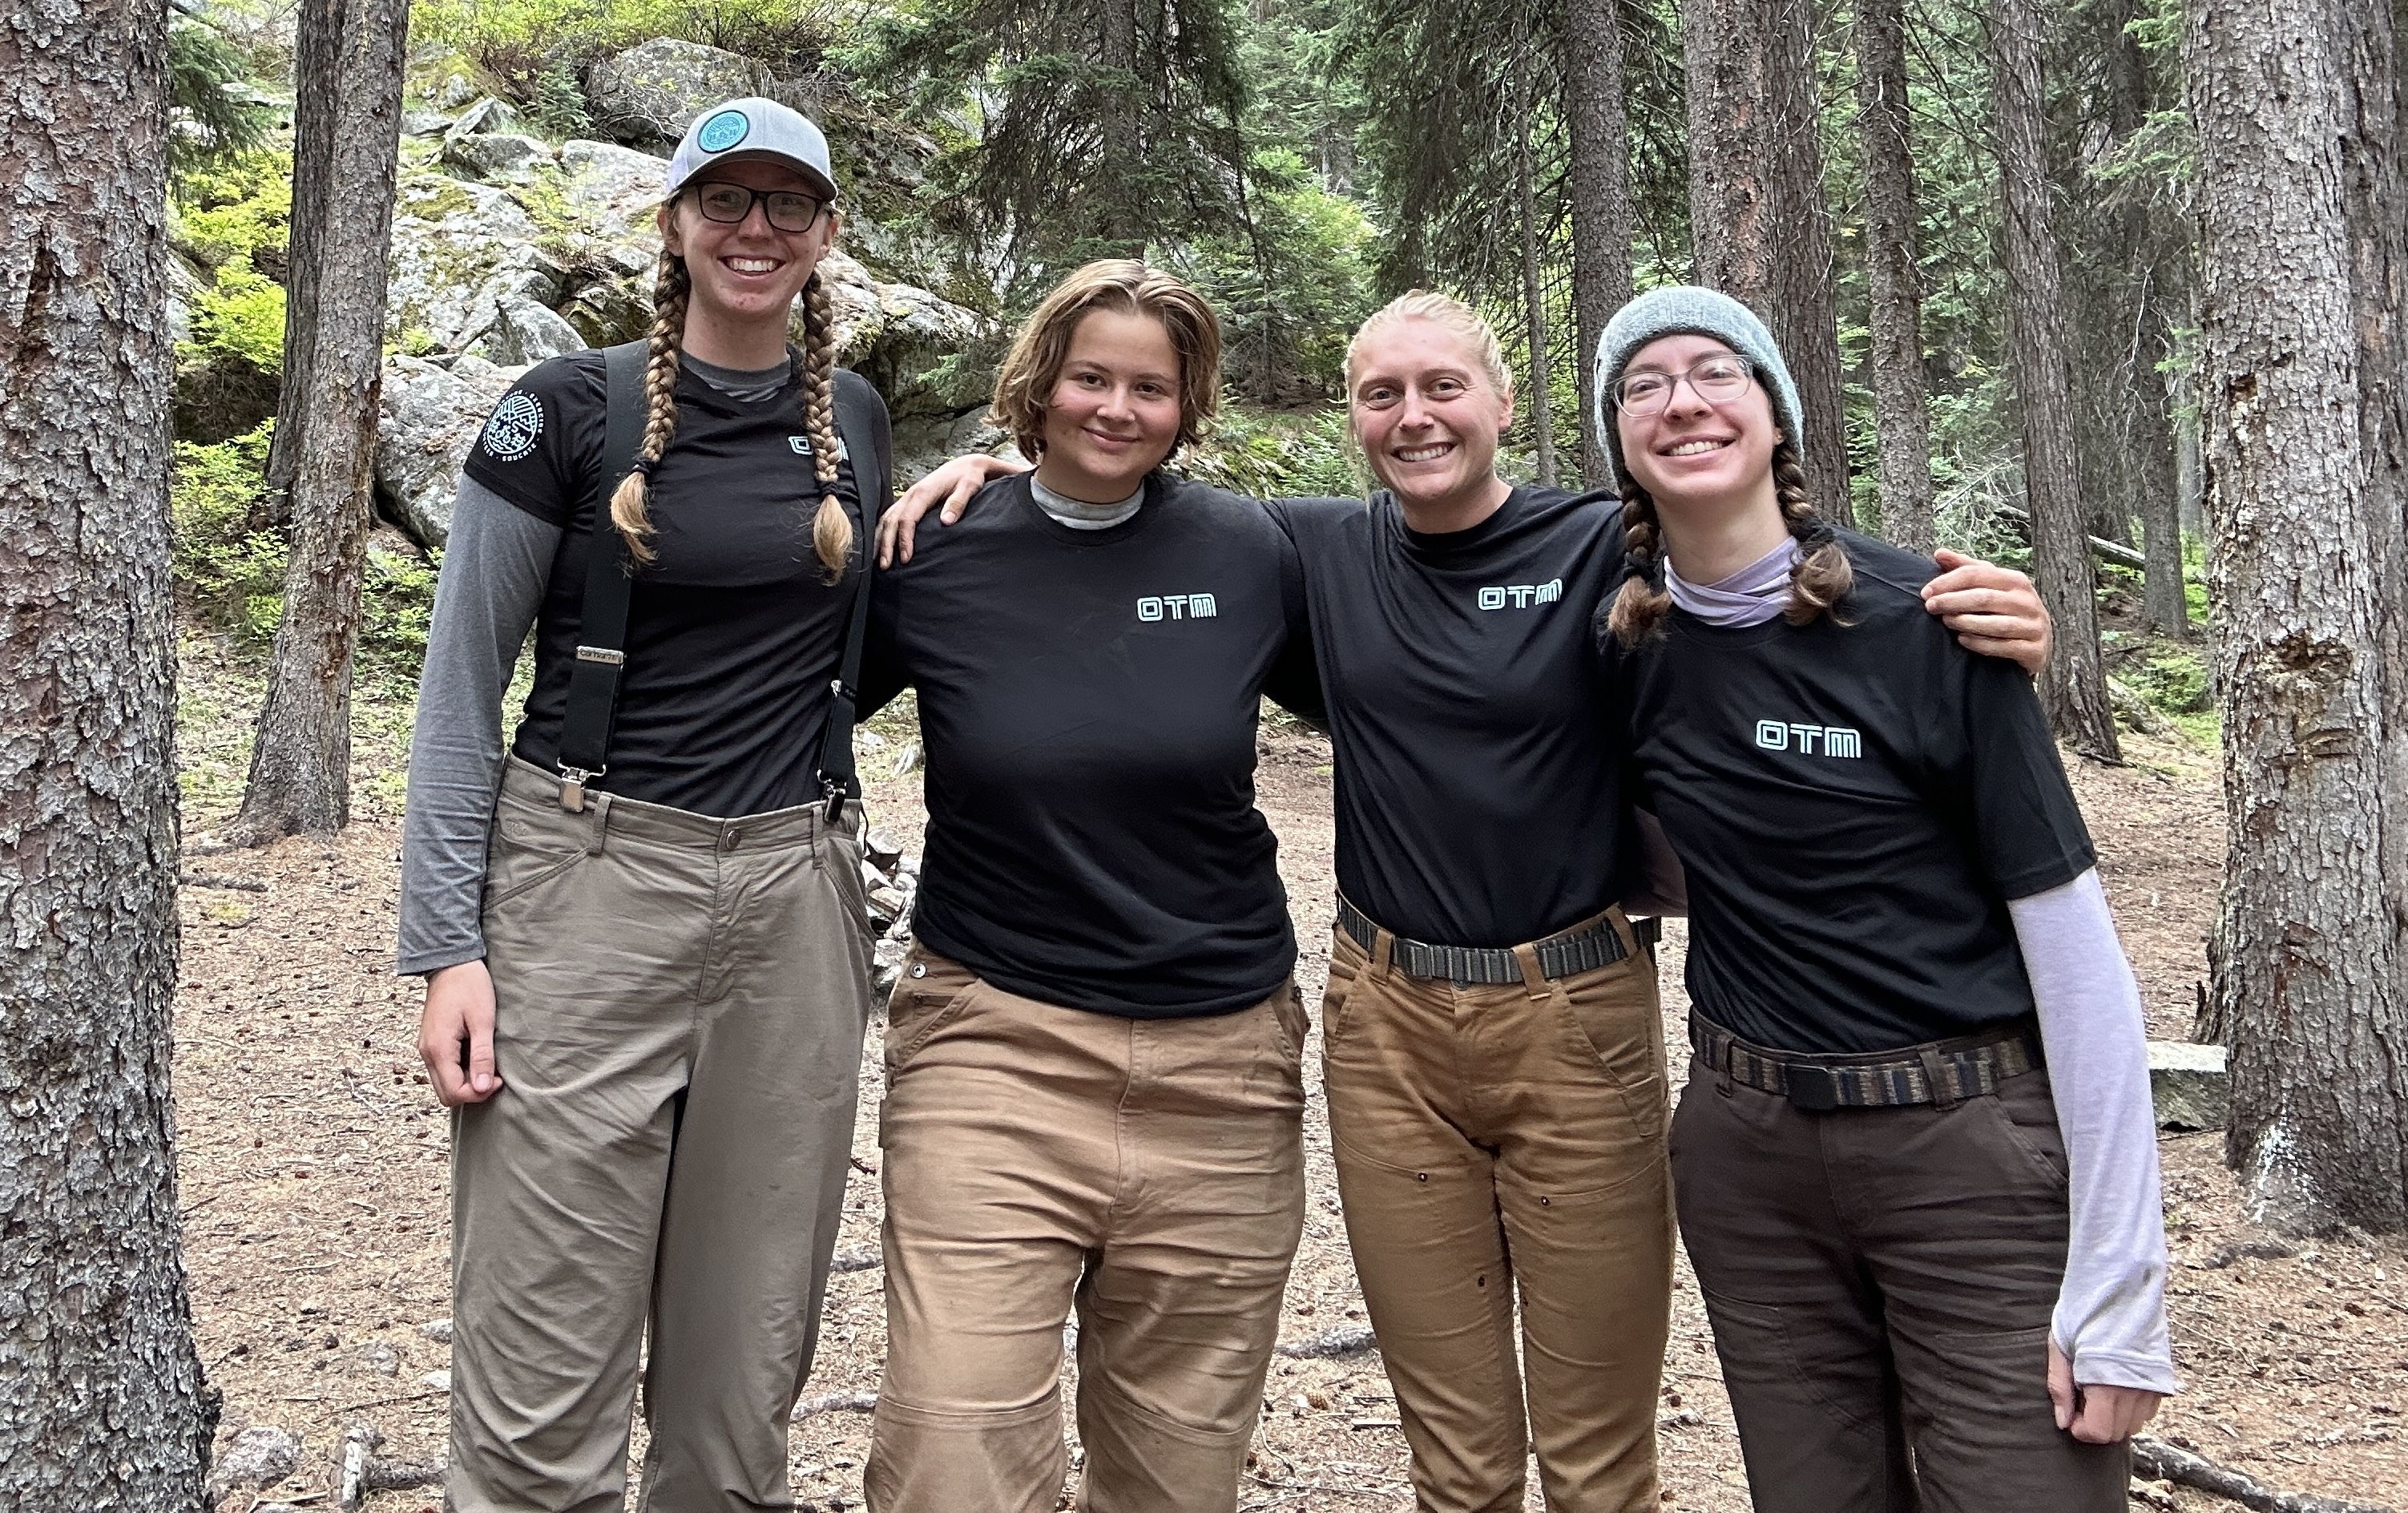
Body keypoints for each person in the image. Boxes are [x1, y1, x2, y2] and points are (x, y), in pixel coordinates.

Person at [878, 289, 2052, 1512]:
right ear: (1353, 418)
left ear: (1502, 403)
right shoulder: (1308, 551)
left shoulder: (1604, 545)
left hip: (1577, 1011)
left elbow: (1758, 568)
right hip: (1385, 1024)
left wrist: (1955, 608)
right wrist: (1007, 464)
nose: (1415, 416)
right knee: (1453, 1456)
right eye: (1382, 393)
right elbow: (1108, 512)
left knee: (1599, 1458)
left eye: (1443, 387)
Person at [1591, 284, 2177, 1511]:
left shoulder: (1930, 624)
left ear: (1775, 416)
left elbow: (2076, 960)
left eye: (1715, 372)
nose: (1681, 399)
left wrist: (2121, 1294)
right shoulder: (1630, 648)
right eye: (1643, 383)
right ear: (1618, 442)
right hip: (1749, 1168)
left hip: (1964, 1153)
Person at [397, 97, 892, 1512]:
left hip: (796, 902)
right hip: (585, 889)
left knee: (743, 1375)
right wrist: (447, 946)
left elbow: (846, 653)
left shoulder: (849, 417)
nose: (755, 230)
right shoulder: (561, 411)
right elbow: (456, 698)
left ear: (825, 233)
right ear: (673, 223)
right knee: (541, 1366)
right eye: (723, 201)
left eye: (786, 204)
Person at [856, 260, 1323, 1513]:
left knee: (1176, 1471)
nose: (1116, 407)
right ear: (1038, 384)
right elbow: (771, 707)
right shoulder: (934, 550)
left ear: (1187, 404)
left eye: (1150, 387)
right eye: (1090, 377)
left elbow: (1446, 628)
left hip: (1224, 1067)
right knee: (955, 1448)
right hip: (992, 1048)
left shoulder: (1248, 547)